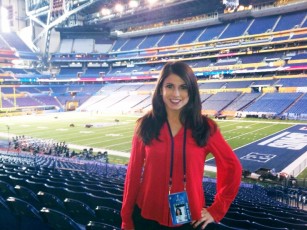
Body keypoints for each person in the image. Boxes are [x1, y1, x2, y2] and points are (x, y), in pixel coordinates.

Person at [121, 61, 242, 230]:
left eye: (183, 87)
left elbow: (232, 167)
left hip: (188, 220)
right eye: (169, 86)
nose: (176, 93)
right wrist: (126, 218)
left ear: (191, 91)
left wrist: (217, 209)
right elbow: (133, 174)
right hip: (146, 215)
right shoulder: (145, 125)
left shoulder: (205, 127)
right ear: (160, 89)